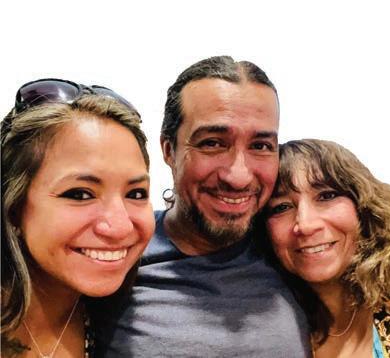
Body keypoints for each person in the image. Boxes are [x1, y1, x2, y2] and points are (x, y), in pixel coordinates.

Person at [98, 56, 310, 357]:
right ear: (169, 150)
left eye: (261, 146)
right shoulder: (113, 255)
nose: (238, 176)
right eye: (212, 143)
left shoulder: (297, 253)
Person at [1, 79, 155, 357]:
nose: (120, 227)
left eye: (136, 193)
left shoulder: (121, 320)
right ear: (13, 208)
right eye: (80, 194)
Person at [265, 139, 390, 357]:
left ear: (363, 206)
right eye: (281, 207)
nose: (305, 224)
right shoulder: (271, 332)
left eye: (326, 196)